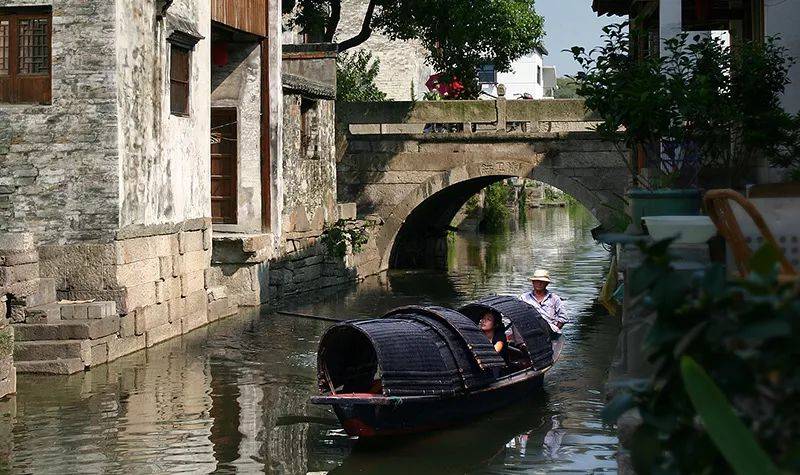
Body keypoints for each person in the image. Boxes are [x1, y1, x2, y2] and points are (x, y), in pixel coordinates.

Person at [519, 269, 566, 338]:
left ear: (547, 283)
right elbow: (519, 315)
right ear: (533, 282)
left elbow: (563, 317)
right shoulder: (524, 297)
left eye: (542, 282)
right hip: (530, 330)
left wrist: (555, 330)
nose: (539, 284)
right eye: (536, 281)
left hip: (550, 330)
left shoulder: (554, 298)